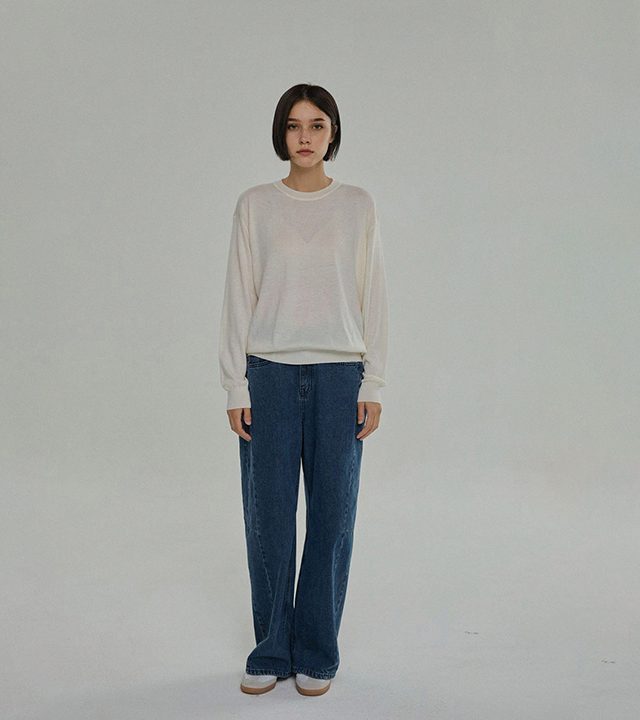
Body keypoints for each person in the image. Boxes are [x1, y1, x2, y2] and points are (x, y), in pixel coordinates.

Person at [218, 83, 389, 697]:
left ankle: (317, 651)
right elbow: (238, 295)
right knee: (267, 516)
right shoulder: (255, 205)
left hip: (341, 376)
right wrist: (235, 385)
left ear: (333, 132)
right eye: (294, 125)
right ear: (281, 133)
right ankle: (272, 648)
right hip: (268, 373)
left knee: (331, 516)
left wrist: (375, 379)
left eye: (317, 125)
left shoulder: (358, 206)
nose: (305, 136)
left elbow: (374, 294)